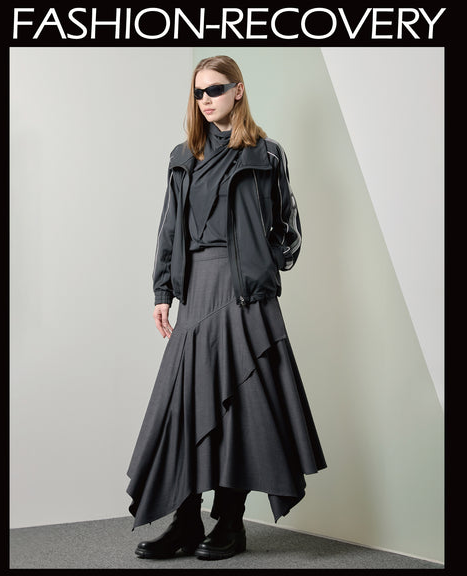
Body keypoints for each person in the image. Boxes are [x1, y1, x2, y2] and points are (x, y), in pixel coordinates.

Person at [126, 54, 327, 562]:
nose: (205, 99)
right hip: (198, 290)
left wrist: (262, 262)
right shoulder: (183, 157)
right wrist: (162, 293)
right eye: (198, 92)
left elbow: (288, 226)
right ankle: (186, 521)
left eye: (214, 89)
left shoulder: (266, 153)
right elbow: (169, 229)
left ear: (238, 90)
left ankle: (231, 523)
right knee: (186, 405)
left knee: (243, 406)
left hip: (245, 295)